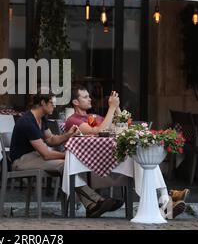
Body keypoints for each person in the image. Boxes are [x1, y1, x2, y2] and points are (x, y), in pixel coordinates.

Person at [65, 84, 188, 219]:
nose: (90, 99)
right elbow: (99, 131)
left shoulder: (94, 117)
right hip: (92, 160)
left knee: (142, 155)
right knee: (140, 155)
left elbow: (124, 126)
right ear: (76, 102)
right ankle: (165, 200)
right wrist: (111, 108)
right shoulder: (73, 120)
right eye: (85, 97)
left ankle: (164, 200)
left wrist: (117, 108)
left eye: (89, 96)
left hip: (111, 156)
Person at [10, 88, 123, 218]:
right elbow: (46, 154)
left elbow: (51, 140)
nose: (55, 105)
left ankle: (91, 206)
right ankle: (98, 200)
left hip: (35, 156)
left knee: (70, 164)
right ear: (43, 103)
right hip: (21, 161)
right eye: (52, 102)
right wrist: (69, 156)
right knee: (66, 165)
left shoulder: (42, 118)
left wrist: (67, 135)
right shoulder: (27, 121)